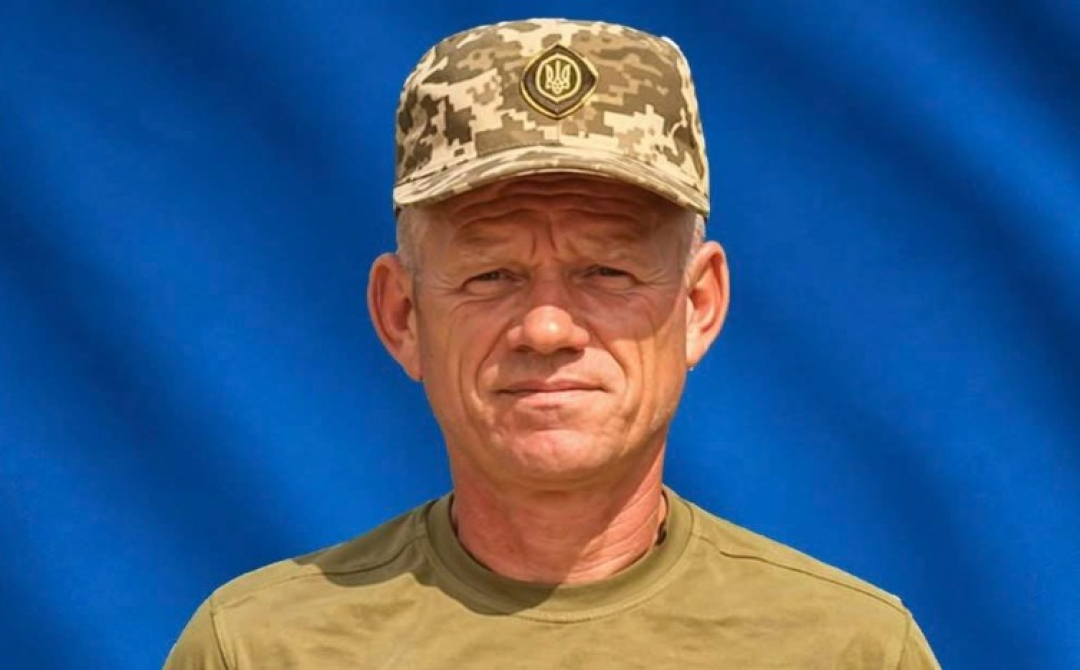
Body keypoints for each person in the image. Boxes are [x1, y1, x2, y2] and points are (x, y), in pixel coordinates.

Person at [165, 18, 940, 668]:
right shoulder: (261, 649)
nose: (546, 327)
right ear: (402, 315)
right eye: (491, 275)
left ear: (698, 304)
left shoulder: (848, 650)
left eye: (605, 272)